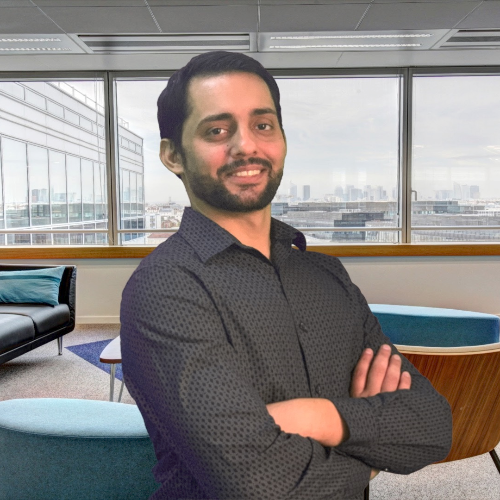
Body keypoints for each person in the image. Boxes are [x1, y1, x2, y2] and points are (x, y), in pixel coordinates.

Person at [120, 51, 452, 500]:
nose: (246, 146)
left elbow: (432, 426)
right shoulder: (164, 288)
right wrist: (371, 450)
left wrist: (316, 416)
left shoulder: (327, 275)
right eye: (217, 130)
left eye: (263, 125)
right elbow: (260, 486)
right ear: (173, 155)